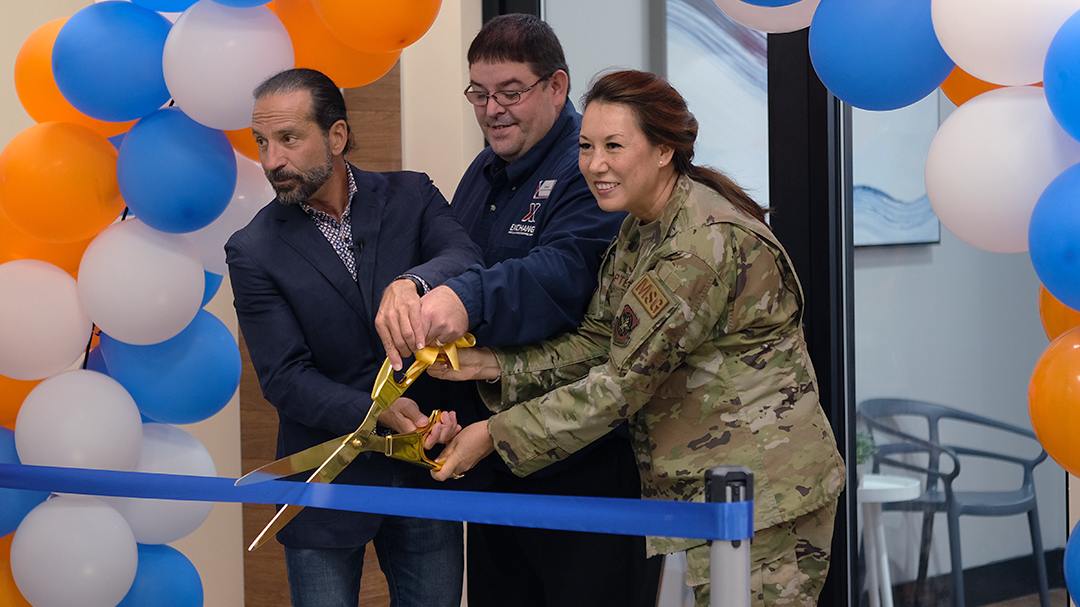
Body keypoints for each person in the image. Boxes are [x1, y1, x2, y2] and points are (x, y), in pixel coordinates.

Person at [429, 70, 847, 607]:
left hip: (761, 492)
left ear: (663, 150)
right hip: (703, 488)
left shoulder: (698, 246)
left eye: (614, 146)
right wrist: (489, 365)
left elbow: (620, 386)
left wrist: (494, 434)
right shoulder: (641, 226)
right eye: (585, 146)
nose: (595, 164)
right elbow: (601, 341)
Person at [374, 13, 663, 607]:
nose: (492, 110)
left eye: (510, 93)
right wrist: (413, 284)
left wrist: (465, 298)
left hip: (580, 459)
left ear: (556, 87)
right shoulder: (483, 172)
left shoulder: (591, 169)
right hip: (491, 459)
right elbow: (457, 256)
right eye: (479, 94)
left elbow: (564, 273)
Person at [225, 68, 484, 607]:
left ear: (336, 136)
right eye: (262, 143)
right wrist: (379, 412)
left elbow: (465, 258)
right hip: (324, 484)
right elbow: (285, 378)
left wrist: (413, 282)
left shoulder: (413, 193)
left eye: (288, 139)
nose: (272, 160)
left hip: (426, 471)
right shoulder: (251, 250)